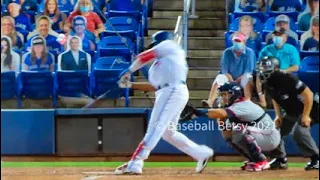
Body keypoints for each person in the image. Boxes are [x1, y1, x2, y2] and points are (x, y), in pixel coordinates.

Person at [115, 31, 214, 175]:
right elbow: (156, 85)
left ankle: (136, 162)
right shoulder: (162, 63)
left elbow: (144, 56)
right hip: (168, 92)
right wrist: (130, 84)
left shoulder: (170, 45)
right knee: (168, 133)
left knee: (156, 127)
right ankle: (200, 153)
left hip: (172, 90)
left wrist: (129, 70)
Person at [184, 82, 281, 171]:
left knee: (238, 130)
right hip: (262, 135)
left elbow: (221, 113)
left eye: (226, 94)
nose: (223, 97)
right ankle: (253, 159)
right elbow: (226, 132)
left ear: (235, 94)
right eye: (222, 95)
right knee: (230, 135)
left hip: (270, 136)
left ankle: (261, 161)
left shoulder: (243, 104)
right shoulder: (233, 107)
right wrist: (221, 121)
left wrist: (198, 112)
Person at [257, 56, 319, 171]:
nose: (262, 70)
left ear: (275, 68)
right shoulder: (267, 81)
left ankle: (316, 159)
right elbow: (275, 99)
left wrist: (306, 115)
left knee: (299, 132)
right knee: (274, 131)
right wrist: (278, 116)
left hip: (310, 109)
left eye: (265, 67)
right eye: (261, 67)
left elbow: (309, 95)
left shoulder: (288, 78)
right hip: (292, 111)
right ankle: (280, 160)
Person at [202, 33, 256, 108]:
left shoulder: (250, 52)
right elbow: (225, 70)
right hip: (229, 77)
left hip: (242, 77)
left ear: (244, 42)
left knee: (248, 77)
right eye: (235, 41)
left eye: (239, 41)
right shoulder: (227, 52)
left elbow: (248, 70)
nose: (236, 43)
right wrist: (232, 81)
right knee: (219, 78)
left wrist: (237, 81)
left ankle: (248, 101)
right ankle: (210, 101)